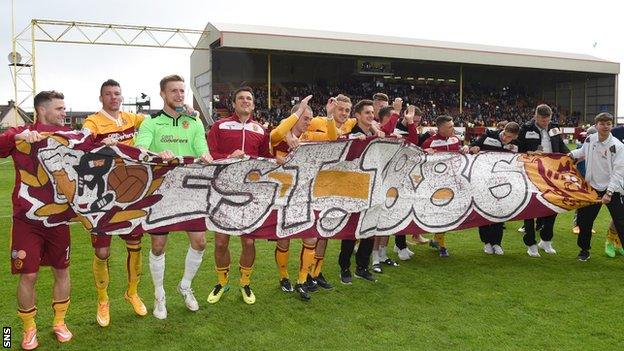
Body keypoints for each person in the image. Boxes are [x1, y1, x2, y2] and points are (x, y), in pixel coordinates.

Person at [134, 74, 213, 319]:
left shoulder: (195, 122)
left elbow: (202, 150)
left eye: (182, 91)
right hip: (161, 191)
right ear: (163, 94)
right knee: (158, 246)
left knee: (200, 242)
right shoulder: (151, 122)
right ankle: (159, 294)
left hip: (190, 190)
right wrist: (158, 153)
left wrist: (205, 156)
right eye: (173, 91)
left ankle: (185, 286)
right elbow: (139, 150)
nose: (179, 95)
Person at [0, 91, 73, 349]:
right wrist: (14, 136)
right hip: (27, 221)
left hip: (60, 220)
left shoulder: (68, 136)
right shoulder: (21, 134)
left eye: (65, 108)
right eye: (60, 109)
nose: (65, 113)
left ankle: (59, 323)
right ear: (43, 111)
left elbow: (96, 145)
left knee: (61, 271)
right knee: (28, 275)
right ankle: (28, 328)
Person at [82, 79, 147, 327]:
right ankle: (103, 299)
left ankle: (132, 292)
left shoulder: (132, 118)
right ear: (101, 98)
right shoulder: (93, 121)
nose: (114, 97)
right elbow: (82, 144)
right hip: (101, 195)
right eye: (108, 94)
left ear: (122, 96)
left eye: (117, 94)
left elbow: (159, 120)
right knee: (102, 251)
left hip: (130, 193)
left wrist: (189, 112)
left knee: (135, 245)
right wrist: (99, 145)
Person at [207, 86, 272, 304]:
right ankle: (222, 283)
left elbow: (266, 160)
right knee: (220, 243)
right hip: (222, 190)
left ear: (253, 104)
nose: (245, 101)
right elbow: (209, 155)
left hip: (250, 194)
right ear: (233, 103)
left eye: (249, 99)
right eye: (241, 98)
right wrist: (229, 156)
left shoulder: (261, 130)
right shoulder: (220, 126)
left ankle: (245, 283)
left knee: (249, 243)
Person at [269, 95, 319, 301]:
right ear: (295, 117)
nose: (309, 122)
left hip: (306, 195)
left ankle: (301, 281)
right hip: (283, 197)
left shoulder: (311, 138)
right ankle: (284, 277)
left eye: (310, 119)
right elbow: (278, 142)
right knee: (284, 240)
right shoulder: (280, 137)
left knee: (311, 237)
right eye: (305, 118)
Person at [569, 112, 624, 261]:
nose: (605, 126)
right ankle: (584, 250)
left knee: (621, 222)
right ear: (596, 125)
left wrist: (609, 192)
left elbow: (619, 172)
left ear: (612, 125)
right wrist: (570, 155)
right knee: (584, 222)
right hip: (591, 188)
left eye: (608, 124)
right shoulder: (590, 139)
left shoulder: (618, 146)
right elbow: (582, 152)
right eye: (602, 123)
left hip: (612, 190)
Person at [516, 104, 569, 257]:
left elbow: (561, 145)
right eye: (542, 119)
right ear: (536, 116)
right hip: (532, 173)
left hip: (552, 173)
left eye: (547, 119)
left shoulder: (555, 127)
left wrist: (570, 155)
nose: (545, 122)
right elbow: (517, 147)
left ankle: (546, 240)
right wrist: (529, 152)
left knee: (553, 205)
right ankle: (531, 243)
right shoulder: (525, 128)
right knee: (530, 207)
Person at [338, 99, 378, 284]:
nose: (371, 116)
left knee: (369, 229)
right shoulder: (350, 136)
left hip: (373, 188)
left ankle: (362, 267)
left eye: (372, 113)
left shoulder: (377, 135)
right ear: (358, 116)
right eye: (367, 113)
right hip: (354, 190)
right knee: (351, 231)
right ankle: (344, 267)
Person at [468, 122, 520, 255]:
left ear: (515, 137)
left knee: (500, 212)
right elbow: (472, 146)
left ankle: (497, 243)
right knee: (484, 210)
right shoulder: (489, 136)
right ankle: (486, 242)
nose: (506, 139)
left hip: (503, 182)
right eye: (505, 135)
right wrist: (473, 148)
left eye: (510, 138)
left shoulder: (516, 145)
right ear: (503, 130)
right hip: (483, 180)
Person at [421, 115, 467, 257]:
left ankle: (438, 241)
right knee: (437, 213)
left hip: (452, 183)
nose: (452, 128)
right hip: (435, 185)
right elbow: (421, 162)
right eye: (449, 126)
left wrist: (464, 149)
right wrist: (424, 153)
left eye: (452, 125)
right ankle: (439, 243)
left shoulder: (456, 140)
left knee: (446, 214)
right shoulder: (429, 143)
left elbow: (458, 156)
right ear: (440, 128)